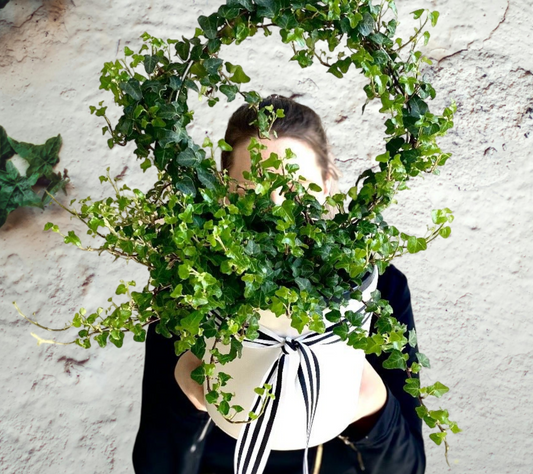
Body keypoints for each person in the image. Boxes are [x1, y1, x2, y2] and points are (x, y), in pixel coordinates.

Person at [132, 95, 426, 474]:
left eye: (295, 188)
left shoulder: (377, 287)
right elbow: (156, 468)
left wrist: (370, 402)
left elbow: (408, 469)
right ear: (224, 193)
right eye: (253, 192)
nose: (278, 215)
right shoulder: (189, 285)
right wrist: (185, 393)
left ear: (327, 181)